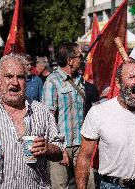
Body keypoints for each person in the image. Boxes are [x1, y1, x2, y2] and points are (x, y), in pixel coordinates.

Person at [75, 59, 135, 189]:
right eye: (131, 77)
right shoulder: (99, 112)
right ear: (118, 83)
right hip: (113, 185)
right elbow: (84, 157)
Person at [0, 53, 63, 188]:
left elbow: (59, 151)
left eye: (21, 77)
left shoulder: (41, 111)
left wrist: (48, 148)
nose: (15, 82)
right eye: (9, 76)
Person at [42, 42, 94, 189]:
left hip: (82, 144)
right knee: (60, 186)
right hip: (60, 145)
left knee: (88, 184)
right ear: (70, 60)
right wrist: (60, 148)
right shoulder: (52, 81)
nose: (82, 59)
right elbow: (48, 118)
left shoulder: (81, 80)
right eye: (80, 56)